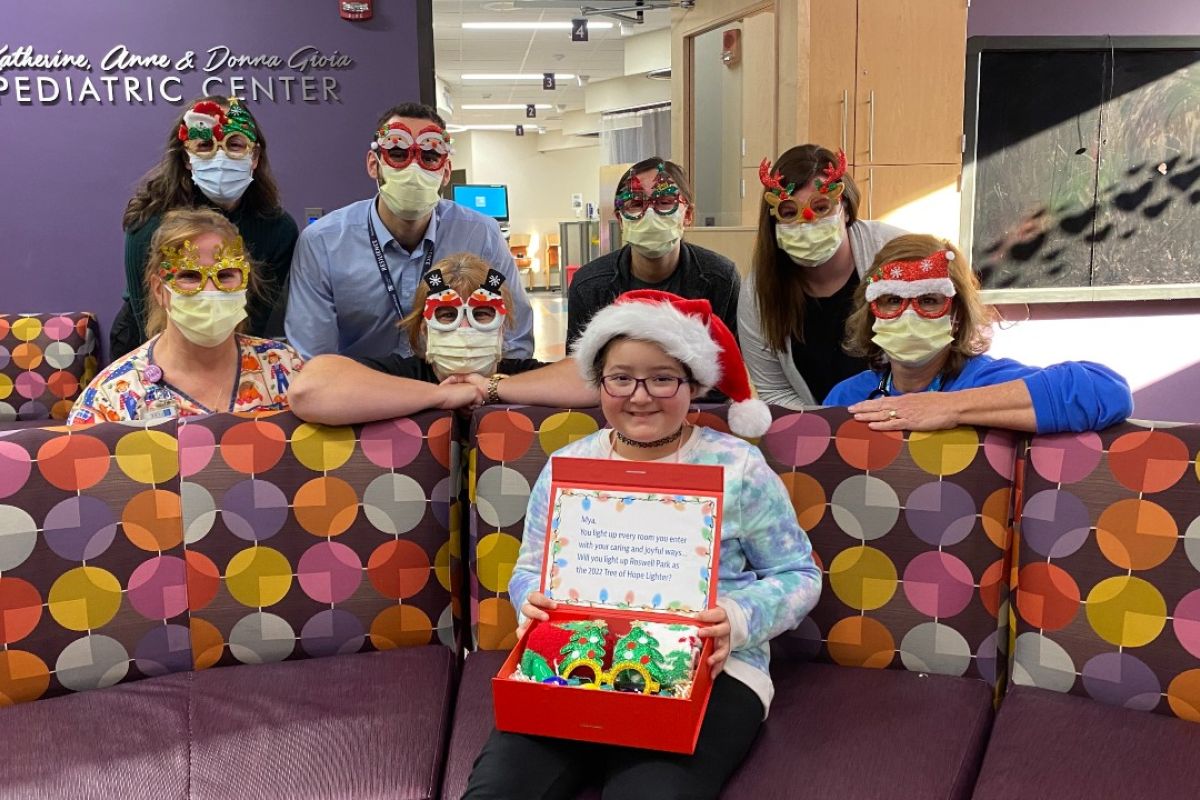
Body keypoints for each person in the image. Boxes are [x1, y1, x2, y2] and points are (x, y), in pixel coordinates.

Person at [463, 291, 820, 800]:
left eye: (662, 378)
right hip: (573, 663)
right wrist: (531, 599)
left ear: (694, 382)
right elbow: (529, 569)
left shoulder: (737, 467)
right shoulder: (570, 466)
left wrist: (736, 619)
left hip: (712, 669)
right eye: (621, 377)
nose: (640, 395)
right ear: (599, 381)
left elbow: (799, 575)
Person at [285, 102, 533, 361]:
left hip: (460, 389)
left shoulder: (482, 235)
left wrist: (486, 389)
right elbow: (314, 359)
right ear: (374, 164)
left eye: (430, 157)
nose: (413, 169)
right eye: (398, 153)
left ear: (446, 171)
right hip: (362, 393)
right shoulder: (323, 242)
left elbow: (515, 340)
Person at [825, 234, 1133, 432]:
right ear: (871, 311)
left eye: (929, 300)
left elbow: (1107, 391)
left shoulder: (988, 381)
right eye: (892, 300)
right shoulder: (846, 397)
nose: (909, 314)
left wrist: (949, 407)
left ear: (957, 315)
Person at [70, 208, 302, 424]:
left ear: (245, 283)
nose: (210, 291)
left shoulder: (285, 369)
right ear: (160, 290)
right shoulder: (110, 398)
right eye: (190, 276)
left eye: (225, 275)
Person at [114, 96, 298, 358]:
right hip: (150, 342)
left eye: (235, 144)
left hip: (233, 344)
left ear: (254, 155)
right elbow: (147, 316)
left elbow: (255, 319)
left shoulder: (278, 229)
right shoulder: (148, 222)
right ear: (187, 157)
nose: (220, 156)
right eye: (205, 145)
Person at [738, 144, 905, 408]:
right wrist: (830, 427)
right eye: (789, 212)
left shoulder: (893, 252)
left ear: (846, 209)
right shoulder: (759, 293)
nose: (807, 222)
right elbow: (774, 391)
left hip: (903, 416)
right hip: (817, 429)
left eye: (822, 207)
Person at [289, 252, 544, 425]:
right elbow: (309, 388)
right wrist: (440, 397)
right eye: (447, 314)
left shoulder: (522, 376)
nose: (465, 327)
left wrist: (492, 389)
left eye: (482, 314)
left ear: (502, 327)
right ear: (424, 328)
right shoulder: (403, 375)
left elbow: (584, 376)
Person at [565, 158, 740, 348]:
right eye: (635, 204)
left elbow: (734, 365)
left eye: (665, 202)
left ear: (688, 215)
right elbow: (577, 369)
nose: (650, 214)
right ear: (621, 220)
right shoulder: (589, 285)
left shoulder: (721, 280)